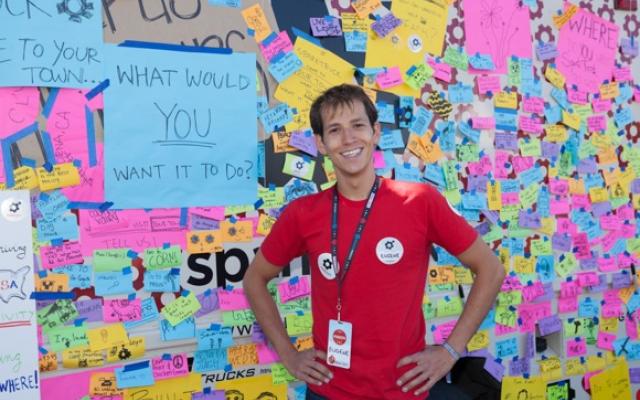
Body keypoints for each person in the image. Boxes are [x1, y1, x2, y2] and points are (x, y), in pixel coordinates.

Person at [243, 84, 505, 399]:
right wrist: (289, 354)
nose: (349, 139)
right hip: (329, 391)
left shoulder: (420, 201)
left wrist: (450, 350)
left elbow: (491, 269)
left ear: (376, 132)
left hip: (403, 390)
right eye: (335, 130)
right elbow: (255, 279)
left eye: (358, 126)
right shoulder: (303, 213)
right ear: (321, 144)